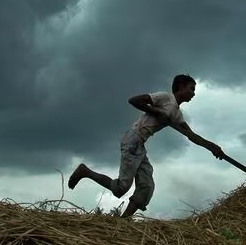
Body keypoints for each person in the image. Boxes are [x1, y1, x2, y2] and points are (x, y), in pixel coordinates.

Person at [67, 74, 225, 218]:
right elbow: (134, 100)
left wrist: (213, 147)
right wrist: (157, 113)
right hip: (133, 138)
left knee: (146, 187)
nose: (194, 93)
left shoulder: (177, 114)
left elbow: (192, 136)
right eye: (192, 88)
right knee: (121, 188)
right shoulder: (165, 98)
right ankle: (85, 171)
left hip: (139, 144)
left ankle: (122, 222)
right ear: (181, 86)